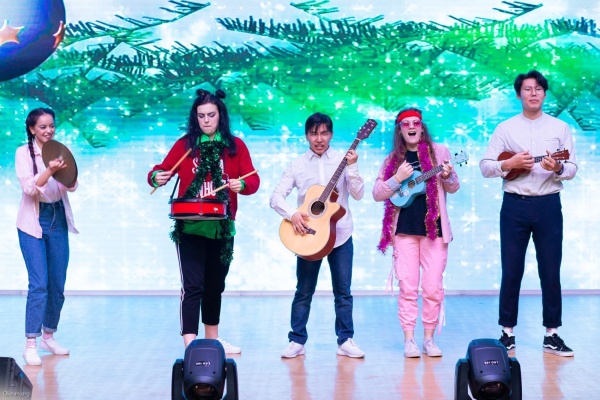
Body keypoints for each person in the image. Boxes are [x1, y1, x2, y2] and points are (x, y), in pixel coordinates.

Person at [148, 89, 260, 353]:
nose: (206, 120)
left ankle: (212, 340)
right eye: (201, 116)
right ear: (195, 117)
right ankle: (190, 345)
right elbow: (159, 171)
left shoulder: (235, 146)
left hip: (222, 227)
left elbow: (253, 180)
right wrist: (156, 177)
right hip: (190, 226)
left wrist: (241, 184)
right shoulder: (185, 145)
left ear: (220, 116)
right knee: (192, 286)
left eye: (211, 115)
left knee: (215, 286)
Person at [479, 70, 577, 356]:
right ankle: (507, 333)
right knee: (511, 270)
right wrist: (508, 164)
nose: (533, 93)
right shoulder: (505, 129)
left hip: (548, 205)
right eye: (527, 89)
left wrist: (558, 167)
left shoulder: (560, 128)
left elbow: (571, 168)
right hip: (514, 205)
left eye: (538, 89)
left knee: (551, 270)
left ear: (544, 94)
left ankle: (552, 334)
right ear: (519, 94)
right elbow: (486, 166)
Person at [270, 112, 365, 359]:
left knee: (343, 292)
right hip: (309, 237)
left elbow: (358, 194)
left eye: (324, 133)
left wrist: (353, 167)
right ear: (306, 136)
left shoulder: (344, 159)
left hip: (340, 234)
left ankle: (345, 340)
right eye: (314, 133)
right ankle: (296, 340)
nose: (319, 139)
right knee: (303, 291)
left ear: (331, 134)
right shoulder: (297, 165)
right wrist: (293, 214)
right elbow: (276, 197)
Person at [372, 108, 460, 358]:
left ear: (422, 127)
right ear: (400, 130)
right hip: (404, 232)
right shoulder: (392, 160)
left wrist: (448, 175)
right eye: (406, 124)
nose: (412, 127)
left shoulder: (439, 152)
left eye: (416, 123)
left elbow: (454, 186)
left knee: (432, 287)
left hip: (435, 230)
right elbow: (377, 193)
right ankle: (409, 340)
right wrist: (397, 178)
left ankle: (429, 340)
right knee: (408, 288)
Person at [16, 108, 78, 366]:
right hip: (33, 221)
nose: (48, 130)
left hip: (57, 217)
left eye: (51, 125)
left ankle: (48, 336)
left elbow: (72, 185)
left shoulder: (59, 151)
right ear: (32, 129)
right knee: (39, 284)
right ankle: (31, 343)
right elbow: (29, 189)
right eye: (43, 127)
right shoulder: (23, 153)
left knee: (57, 283)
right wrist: (50, 170)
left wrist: (66, 173)